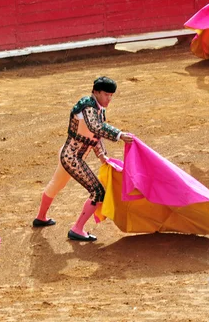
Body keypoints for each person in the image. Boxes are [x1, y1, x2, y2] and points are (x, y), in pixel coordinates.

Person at [33, 77, 134, 242]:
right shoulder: (87, 106)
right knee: (97, 191)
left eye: (111, 95)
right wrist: (119, 134)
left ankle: (41, 217)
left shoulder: (98, 108)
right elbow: (96, 127)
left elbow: (96, 135)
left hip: (68, 155)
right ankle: (77, 229)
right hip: (72, 157)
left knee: (55, 185)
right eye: (106, 94)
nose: (109, 99)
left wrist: (102, 155)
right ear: (96, 92)